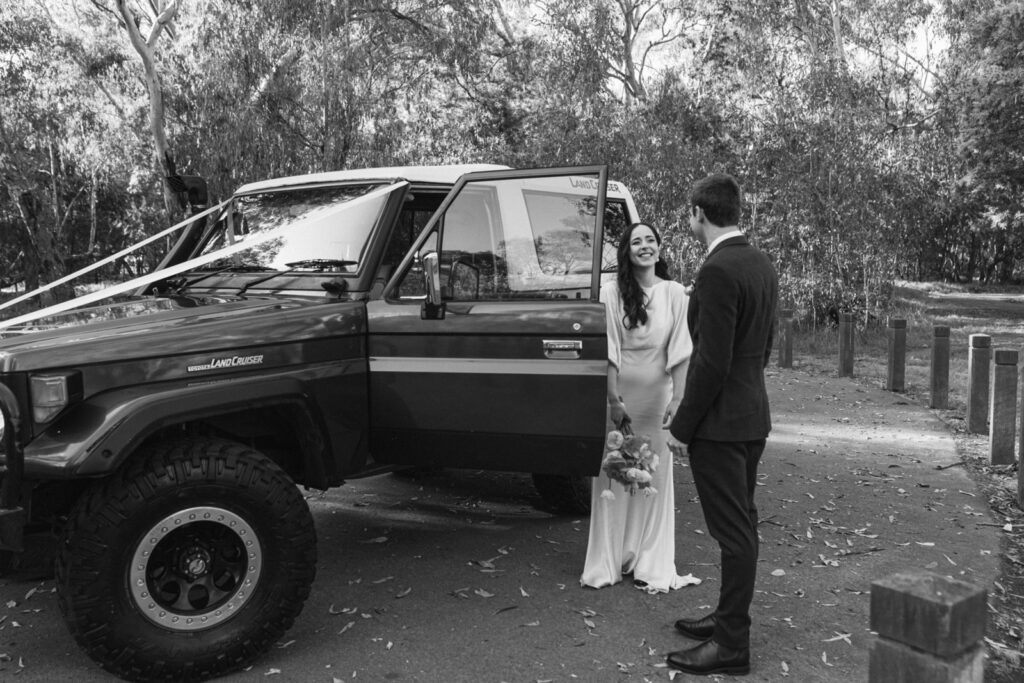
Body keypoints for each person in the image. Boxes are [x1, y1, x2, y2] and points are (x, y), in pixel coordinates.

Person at [666, 174, 778, 676]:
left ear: (698, 214)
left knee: (734, 534)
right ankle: (727, 618)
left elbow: (711, 361)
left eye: (690, 214)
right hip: (751, 415)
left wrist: (682, 426)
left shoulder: (716, 271)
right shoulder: (760, 263)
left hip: (720, 427)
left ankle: (732, 646)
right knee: (742, 525)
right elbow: (762, 346)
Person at [580, 222, 700, 594]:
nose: (644, 246)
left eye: (650, 240)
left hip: (659, 401)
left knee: (656, 480)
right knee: (614, 478)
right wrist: (613, 401)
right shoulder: (611, 292)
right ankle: (611, 560)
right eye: (636, 242)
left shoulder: (675, 293)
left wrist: (679, 400)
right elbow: (610, 349)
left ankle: (650, 560)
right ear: (627, 252)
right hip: (621, 400)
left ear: (660, 249)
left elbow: (681, 350)